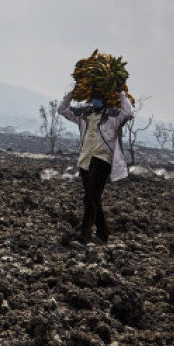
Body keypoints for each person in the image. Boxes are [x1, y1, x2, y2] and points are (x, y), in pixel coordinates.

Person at [58, 89, 133, 245]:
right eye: (94, 98)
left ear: (106, 100)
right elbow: (62, 110)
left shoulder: (113, 117)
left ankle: (84, 237)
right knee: (94, 199)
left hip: (102, 159)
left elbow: (128, 113)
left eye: (100, 98)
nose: (96, 101)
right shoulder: (84, 115)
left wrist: (120, 92)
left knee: (90, 198)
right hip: (85, 160)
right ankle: (103, 234)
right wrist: (72, 94)